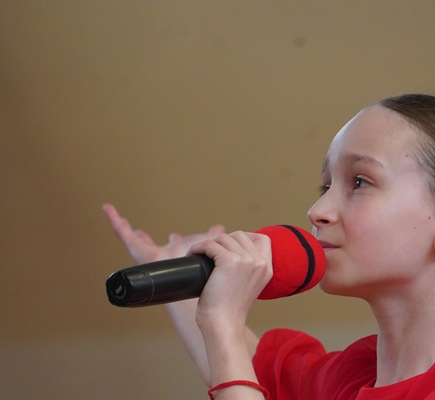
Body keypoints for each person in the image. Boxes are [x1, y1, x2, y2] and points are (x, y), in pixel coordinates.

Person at [103, 93, 435, 400]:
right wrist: (180, 273)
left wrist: (223, 324)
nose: (317, 211)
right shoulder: (347, 380)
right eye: (325, 187)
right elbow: (250, 369)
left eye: (360, 182)